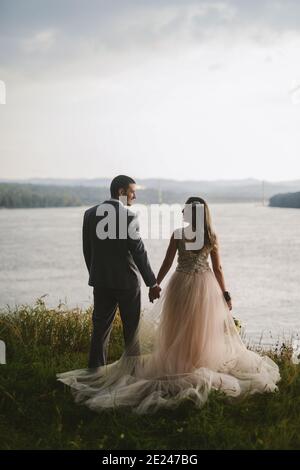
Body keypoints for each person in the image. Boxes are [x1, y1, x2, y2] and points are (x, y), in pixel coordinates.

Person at [57, 196, 280, 414]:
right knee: (201, 329)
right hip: (204, 286)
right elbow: (218, 268)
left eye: (184, 209)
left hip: (181, 285)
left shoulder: (178, 234)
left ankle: (180, 365)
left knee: (179, 328)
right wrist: (226, 294)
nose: (182, 211)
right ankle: (198, 363)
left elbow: (167, 262)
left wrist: (156, 284)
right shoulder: (210, 235)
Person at [81, 174, 161, 369]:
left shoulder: (90, 214)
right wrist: (152, 282)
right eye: (132, 192)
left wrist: (96, 273)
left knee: (100, 330)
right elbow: (139, 252)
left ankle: (95, 372)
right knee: (132, 332)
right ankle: (133, 373)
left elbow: (87, 250)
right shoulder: (129, 217)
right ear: (121, 192)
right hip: (127, 283)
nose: (134, 197)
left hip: (101, 281)